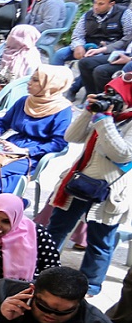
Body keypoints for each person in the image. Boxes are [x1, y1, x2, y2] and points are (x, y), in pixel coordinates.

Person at [45, 95, 132, 294]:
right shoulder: (105, 113)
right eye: (109, 92)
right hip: (79, 182)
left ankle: (90, 286)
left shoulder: (116, 119)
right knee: (56, 229)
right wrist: (88, 112)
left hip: (110, 191)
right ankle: (43, 270)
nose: (112, 98)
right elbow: (71, 137)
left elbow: (123, 154)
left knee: (100, 241)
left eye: (118, 94)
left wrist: (104, 120)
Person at [0, 65, 74, 217]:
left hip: (32, 156)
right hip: (10, 145)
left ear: (50, 85)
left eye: (36, 80)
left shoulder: (62, 110)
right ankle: (9, 203)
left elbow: (59, 143)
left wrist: (25, 151)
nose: (29, 82)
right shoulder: (25, 101)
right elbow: (2, 122)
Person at [53, 0, 131, 97]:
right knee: (60, 54)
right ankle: (53, 85)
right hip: (88, 45)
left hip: (109, 48)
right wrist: (78, 46)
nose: (96, 6)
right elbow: (77, 35)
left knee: (89, 62)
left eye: (101, 4)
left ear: (111, 4)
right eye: (95, 3)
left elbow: (126, 39)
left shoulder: (124, 14)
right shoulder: (88, 15)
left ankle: (75, 89)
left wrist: (105, 48)